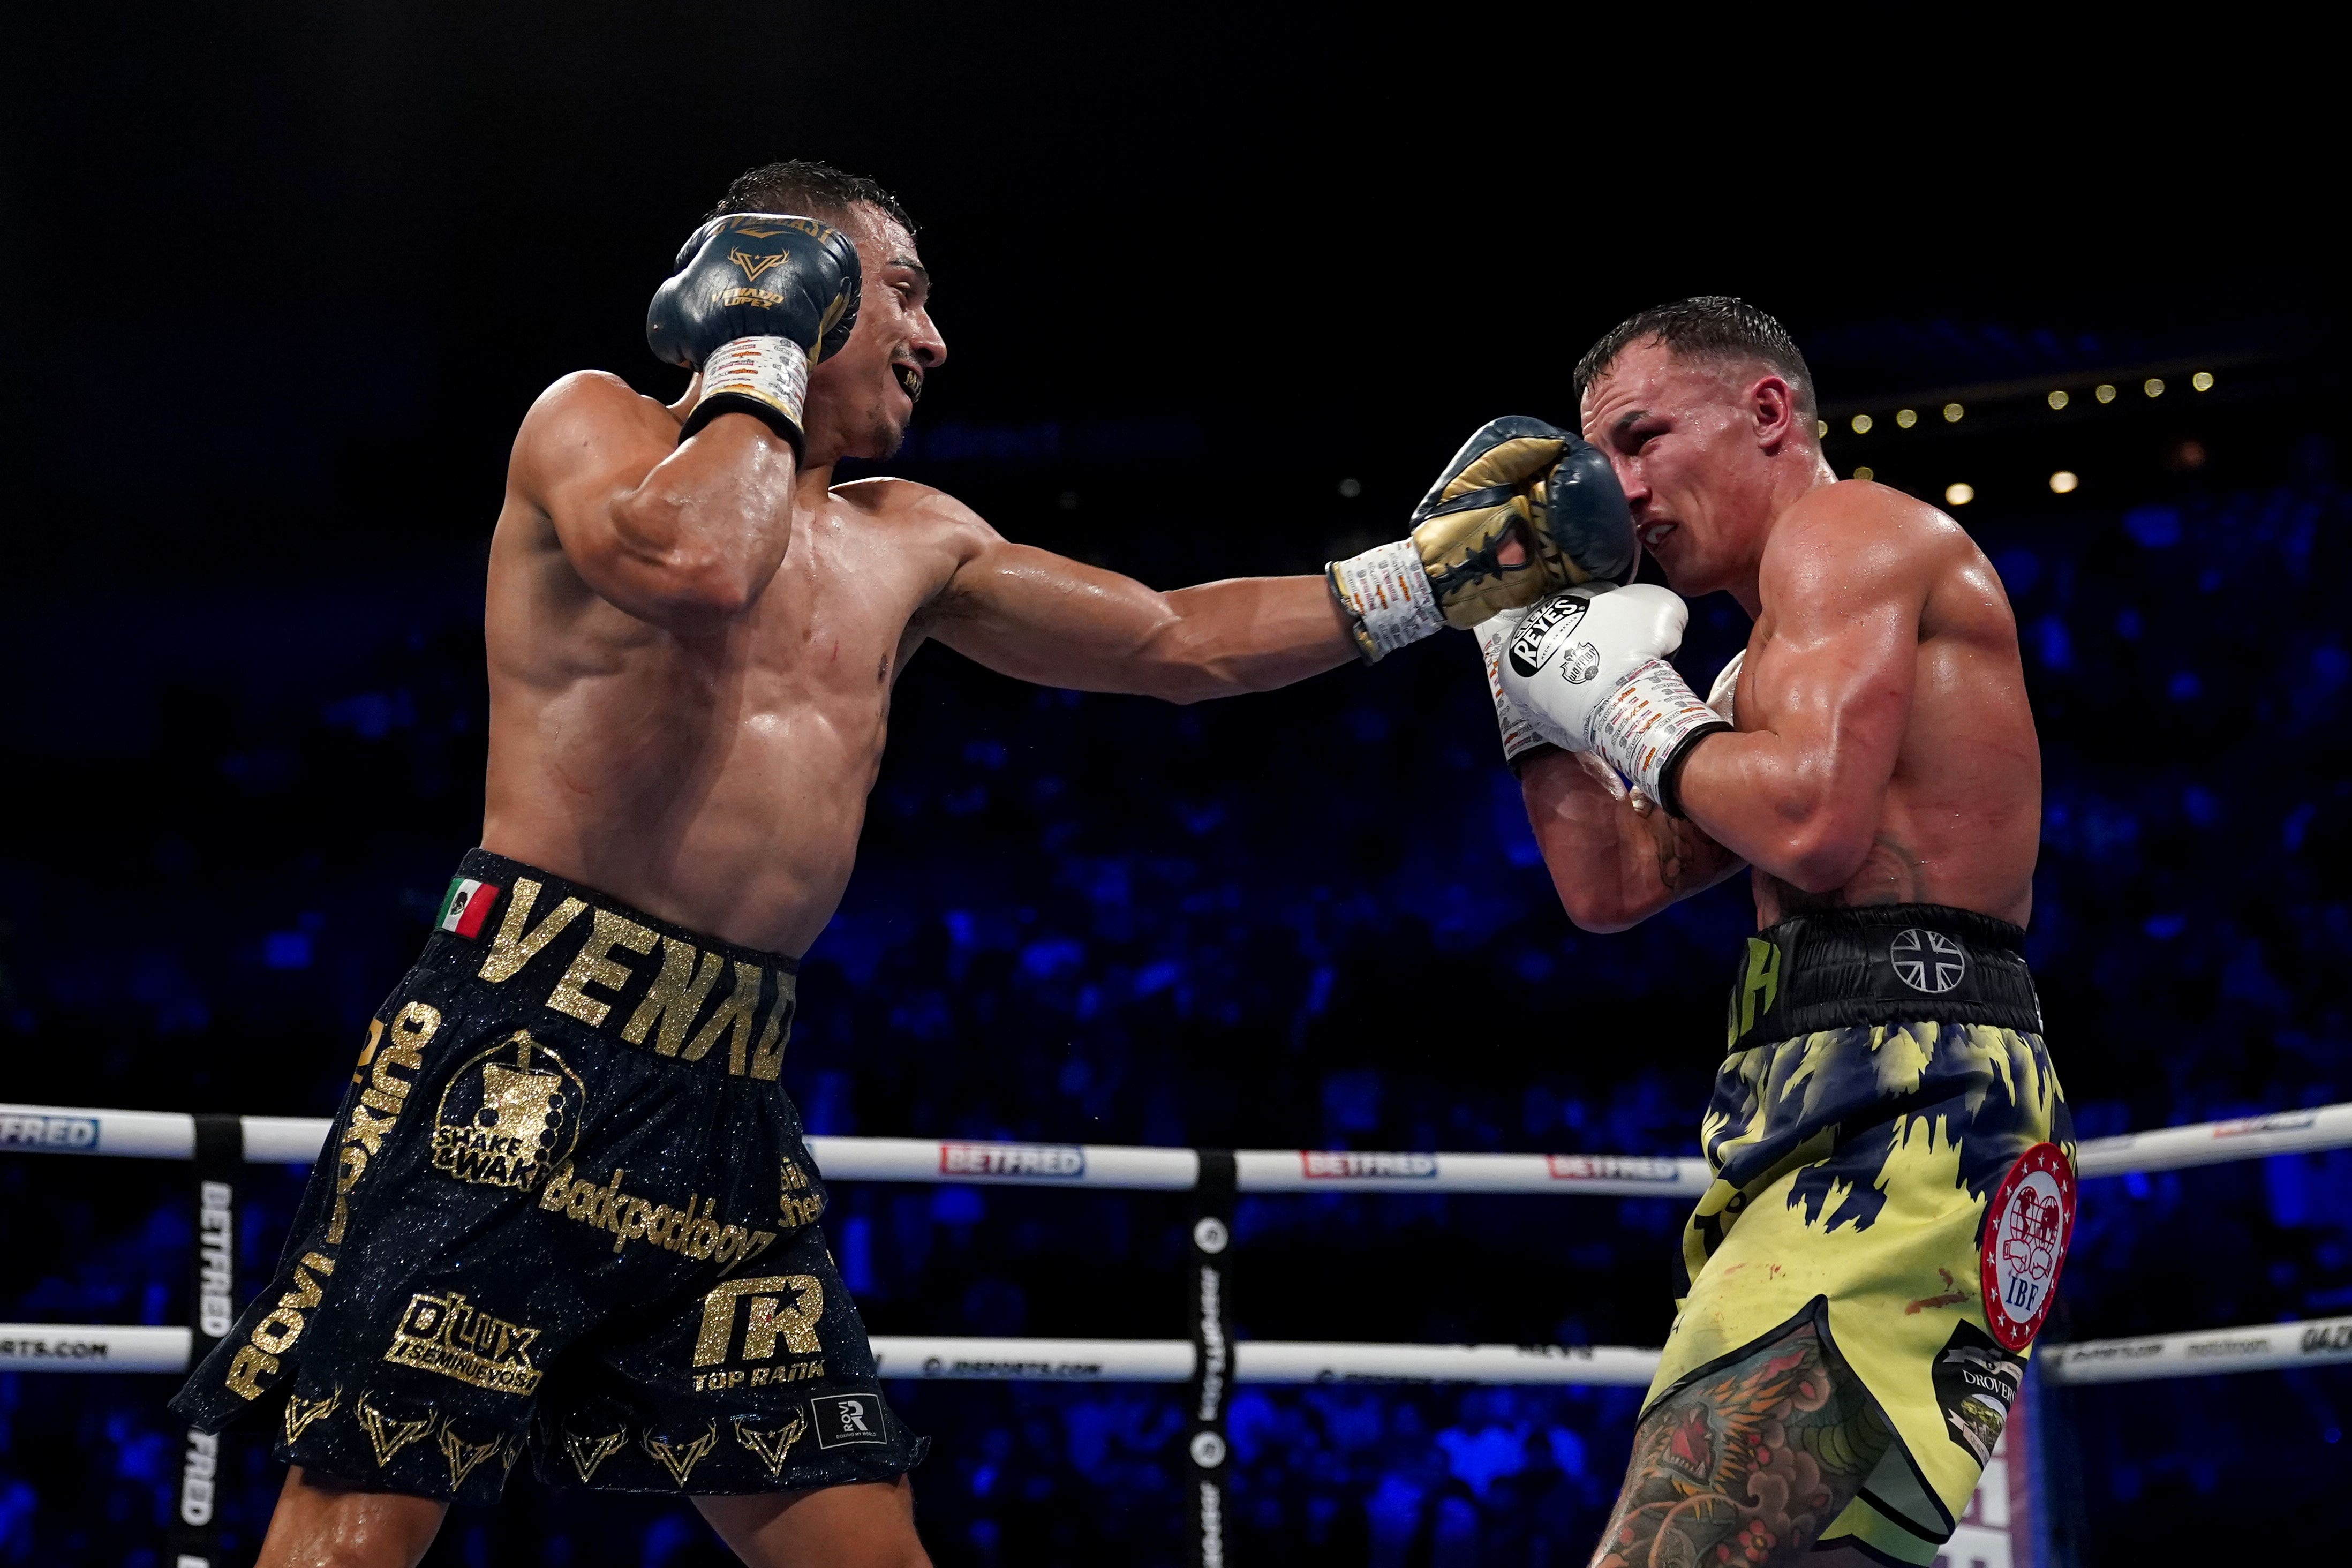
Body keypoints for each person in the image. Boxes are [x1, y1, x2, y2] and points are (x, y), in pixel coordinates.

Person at [169, 158, 1634, 1567]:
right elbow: (700, 565)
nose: (935, 338)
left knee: (863, 1544)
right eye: (904, 294)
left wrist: (1429, 578)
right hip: (523, 1055)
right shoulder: (593, 425)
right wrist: (762, 347)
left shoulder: (915, 539)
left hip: (721, 1106)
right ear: (795, 283)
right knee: (361, 1517)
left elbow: (1176, 643)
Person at [1476, 298, 2075, 1568]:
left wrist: (1633, 711)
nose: (1620, 489)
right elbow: (1615, 884)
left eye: (1642, 439)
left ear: (1766, 414)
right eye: (1603, 459)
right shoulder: (1760, 669)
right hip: (1828, 1103)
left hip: (1908, 1120)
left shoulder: (1854, 533)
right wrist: (1514, 652)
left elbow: (1809, 828)